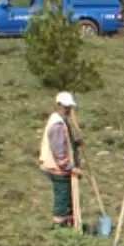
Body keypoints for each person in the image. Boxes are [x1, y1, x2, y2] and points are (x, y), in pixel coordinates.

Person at [39, 92, 83, 228]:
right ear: (58, 106)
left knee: (67, 198)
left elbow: (65, 143)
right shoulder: (57, 125)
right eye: (66, 107)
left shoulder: (62, 121)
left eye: (70, 107)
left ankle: (70, 227)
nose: (68, 110)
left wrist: (75, 143)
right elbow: (59, 152)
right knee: (63, 201)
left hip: (60, 168)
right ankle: (60, 230)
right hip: (58, 169)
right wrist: (71, 167)